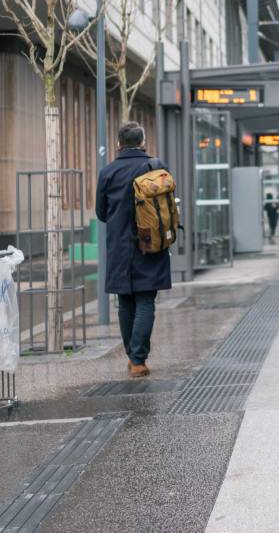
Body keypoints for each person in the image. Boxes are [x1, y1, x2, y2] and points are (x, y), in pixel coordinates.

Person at [95, 121, 171, 378]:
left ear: (118, 144)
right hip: (151, 243)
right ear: (142, 142)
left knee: (125, 301)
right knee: (146, 300)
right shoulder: (156, 167)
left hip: (119, 246)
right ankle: (138, 359)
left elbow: (101, 213)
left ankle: (133, 358)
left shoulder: (108, 172)